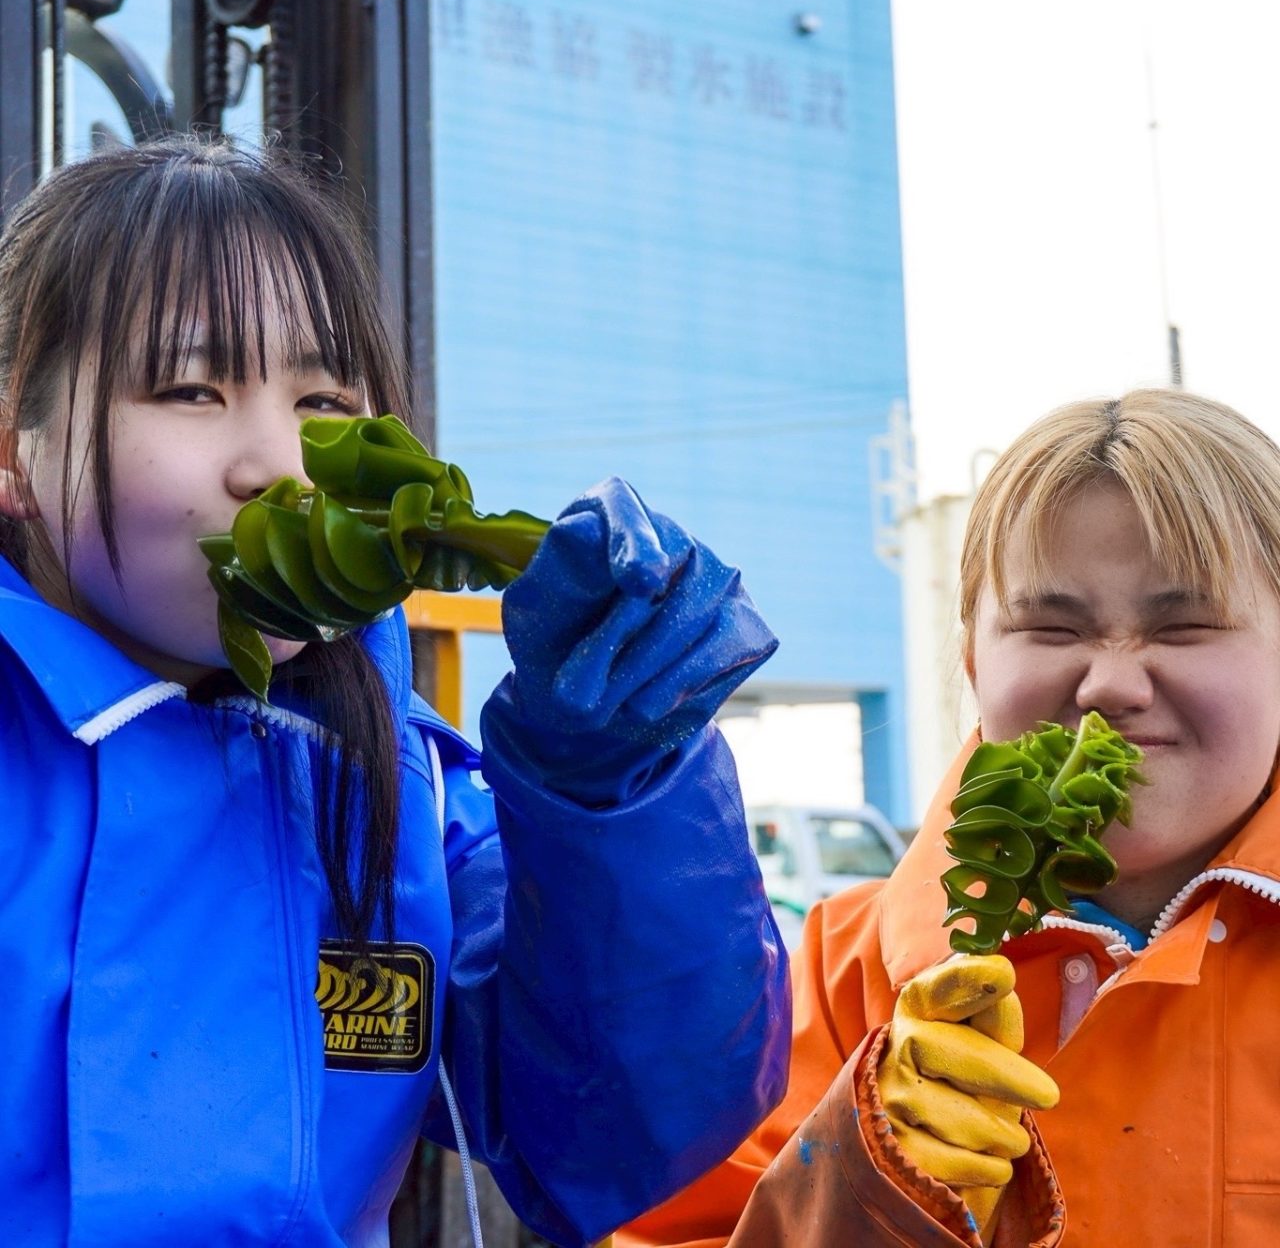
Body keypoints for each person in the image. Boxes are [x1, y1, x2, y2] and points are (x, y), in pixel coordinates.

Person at [0, 139, 790, 1248]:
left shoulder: (401, 793)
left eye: (325, 398)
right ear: (12, 450)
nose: (277, 463)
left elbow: (617, 1132)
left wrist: (614, 793)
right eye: (189, 387)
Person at [620, 387, 1280, 1247]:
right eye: (1049, 627)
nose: (1112, 685)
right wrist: (860, 1186)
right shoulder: (832, 975)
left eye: (1186, 625)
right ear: (973, 659)